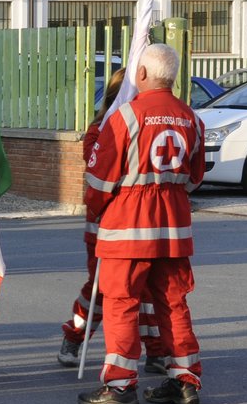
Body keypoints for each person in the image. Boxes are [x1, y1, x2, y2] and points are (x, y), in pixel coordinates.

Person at [79, 43, 206, 404]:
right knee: (173, 303)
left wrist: (99, 209)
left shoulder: (125, 117)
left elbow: (99, 182)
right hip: (174, 227)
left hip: (128, 227)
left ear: (143, 75)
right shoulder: (192, 118)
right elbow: (195, 178)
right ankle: (185, 381)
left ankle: (119, 386)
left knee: (121, 303)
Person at [56, 68, 167, 371]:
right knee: (102, 288)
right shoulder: (99, 129)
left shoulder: (144, 123)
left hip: (141, 223)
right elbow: (101, 175)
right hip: (106, 226)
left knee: (146, 290)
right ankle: (75, 335)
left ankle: (156, 350)